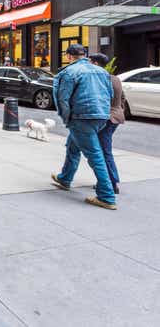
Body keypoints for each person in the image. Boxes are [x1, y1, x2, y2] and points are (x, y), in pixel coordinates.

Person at [51, 44, 116, 210]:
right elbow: (110, 94)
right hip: (101, 116)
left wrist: (67, 120)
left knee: (95, 155)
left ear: (69, 56)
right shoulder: (102, 71)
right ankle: (65, 178)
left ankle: (106, 196)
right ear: (84, 55)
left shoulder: (68, 72)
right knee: (73, 146)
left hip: (81, 117)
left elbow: (62, 100)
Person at [89, 53, 124, 194]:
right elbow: (122, 98)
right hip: (115, 116)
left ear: (96, 64)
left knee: (104, 151)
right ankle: (106, 180)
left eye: (90, 62)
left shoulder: (100, 79)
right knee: (102, 150)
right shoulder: (115, 78)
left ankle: (111, 182)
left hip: (106, 118)